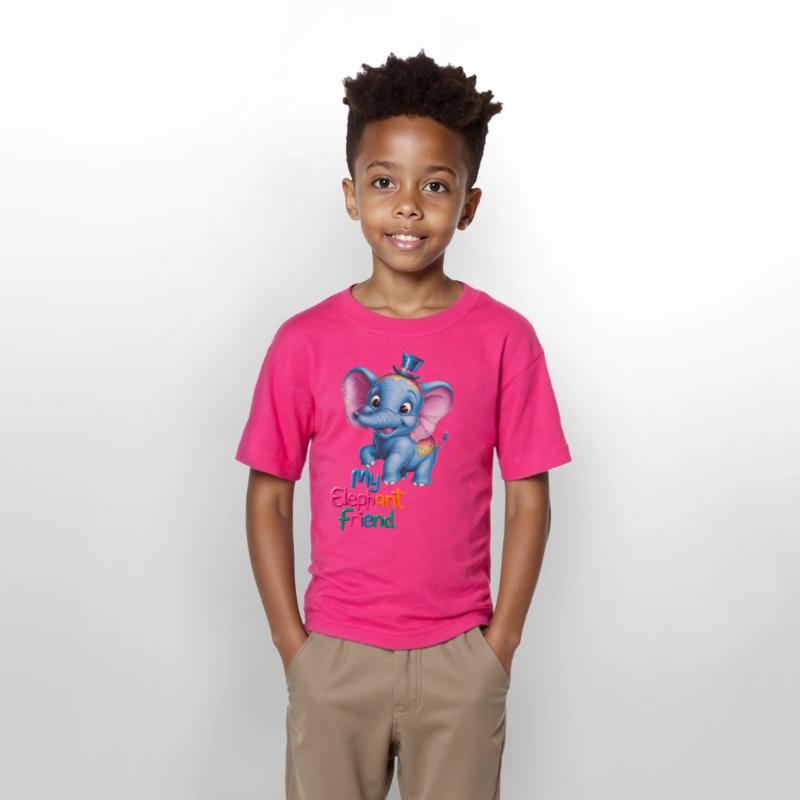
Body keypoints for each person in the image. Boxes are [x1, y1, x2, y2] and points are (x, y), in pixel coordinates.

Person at [235, 49, 573, 800]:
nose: (409, 206)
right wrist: (294, 647)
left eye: (436, 185)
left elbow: (529, 498)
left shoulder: (505, 339)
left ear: (469, 205)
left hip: (460, 658)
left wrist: (500, 646)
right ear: (352, 195)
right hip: (335, 657)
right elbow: (269, 496)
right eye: (385, 182)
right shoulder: (303, 342)